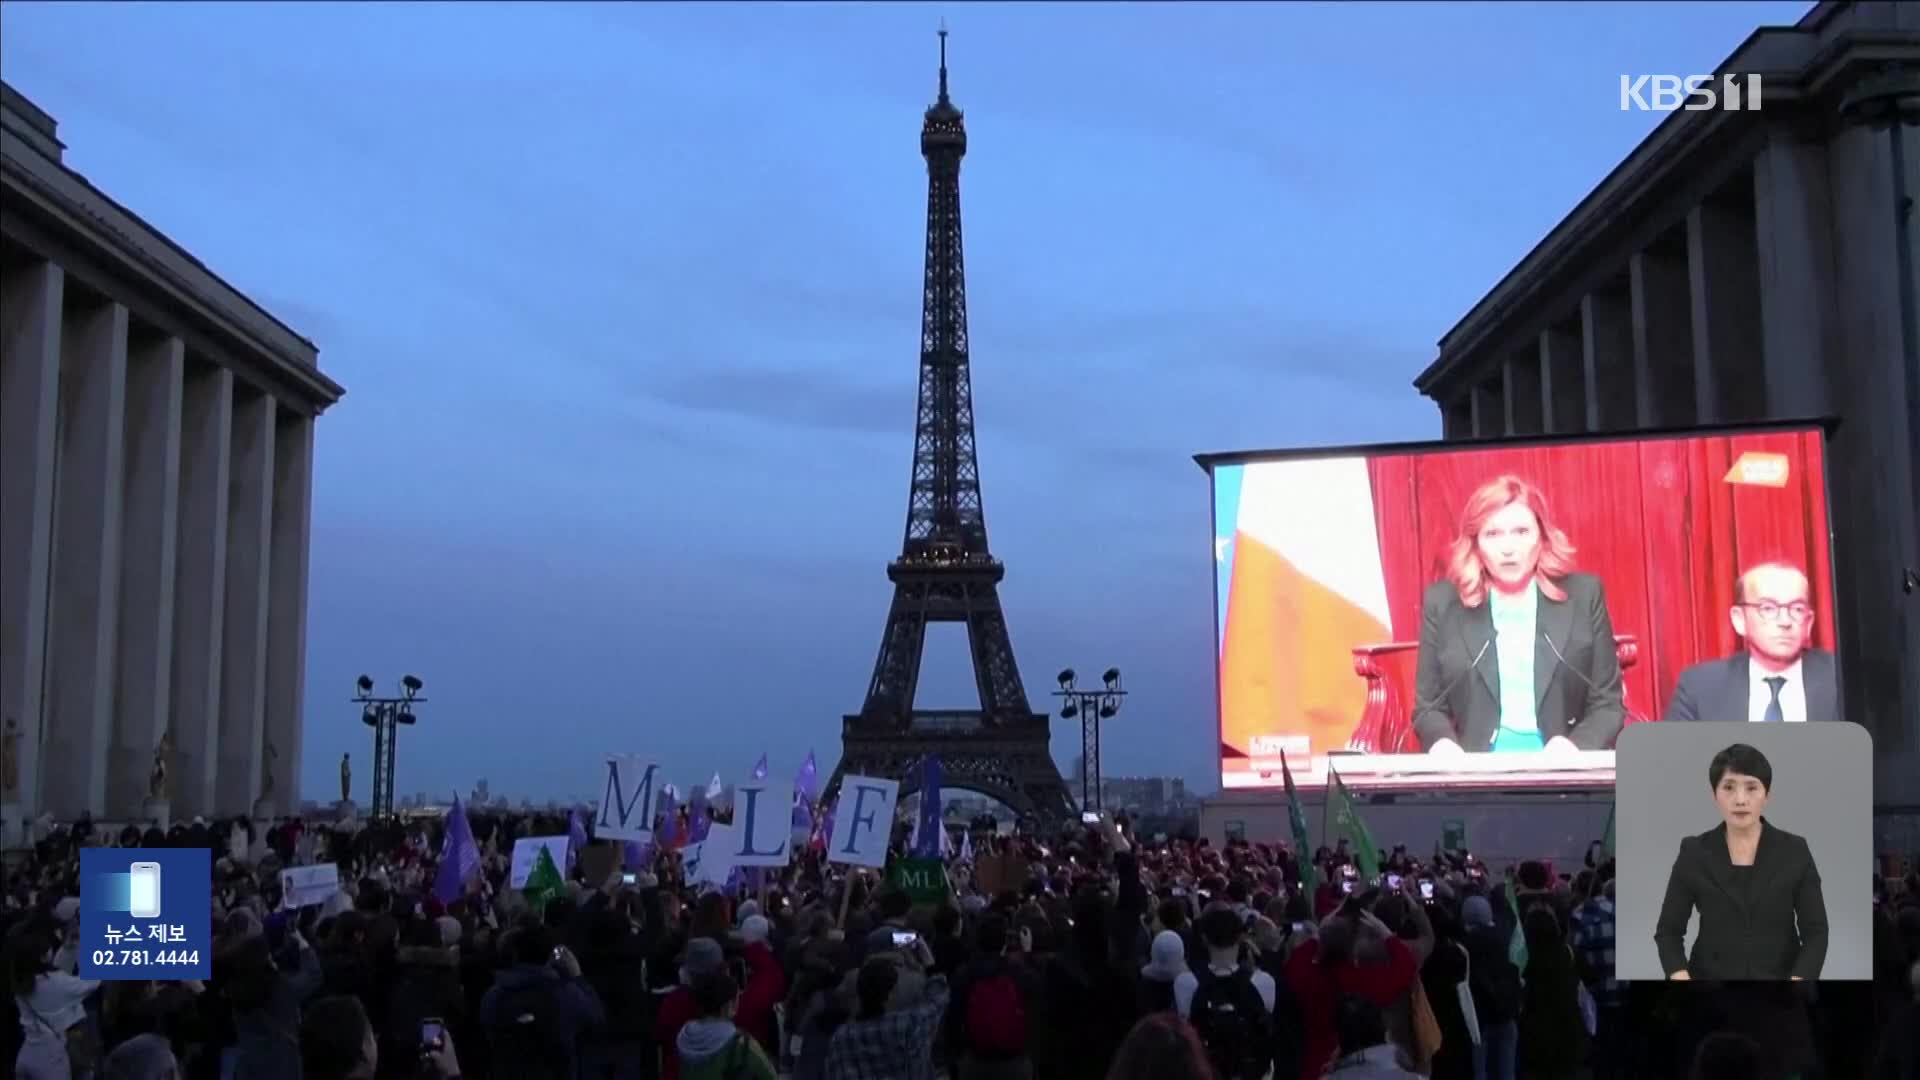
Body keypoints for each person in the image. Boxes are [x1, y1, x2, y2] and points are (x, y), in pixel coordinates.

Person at [1412, 475, 1626, 754]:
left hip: (1563, 772)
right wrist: (1443, 745)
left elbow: (1608, 705)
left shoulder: (1584, 596)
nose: (1508, 548)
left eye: (1521, 532)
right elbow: (1427, 708)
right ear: (1475, 544)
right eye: (1493, 534)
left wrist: (1575, 748)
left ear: (1543, 537)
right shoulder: (1443, 603)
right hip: (1476, 774)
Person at [1653, 743, 1828, 981]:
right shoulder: (1694, 852)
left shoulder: (1794, 850)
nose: (1740, 799)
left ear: (1767, 795)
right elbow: (1668, 932)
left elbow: (1816, 931)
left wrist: (1798, 982)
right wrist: (1681, 978)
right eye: (1728, 787)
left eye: (1751, 788)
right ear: (1714, 794)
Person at [1661, 561, 1840, 723]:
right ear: (1740, 620)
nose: (1785, 621)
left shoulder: (1843, 679)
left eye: (1797, 609)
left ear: (1808, 622)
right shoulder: (1699, 687)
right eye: (1768, 608)